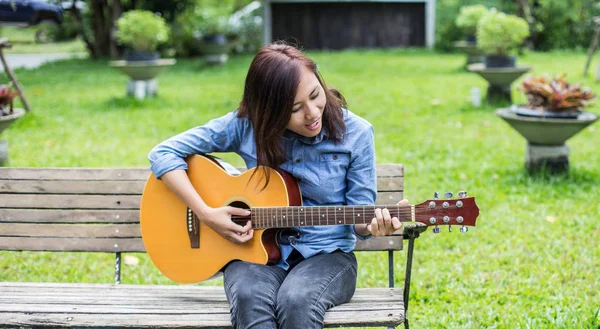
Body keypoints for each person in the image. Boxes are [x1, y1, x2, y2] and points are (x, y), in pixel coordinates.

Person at [148, 42, 406, 329]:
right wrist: (207, 213)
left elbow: (360, 216)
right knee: (248, 296)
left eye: (315, 95)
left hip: (327, 257)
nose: (312, 113)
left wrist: (373, 225)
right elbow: (163, 153)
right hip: (252, 254)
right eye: (295, 109)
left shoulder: (356, 133)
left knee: (296, 300)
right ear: (267, 113)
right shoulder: (246, 127)